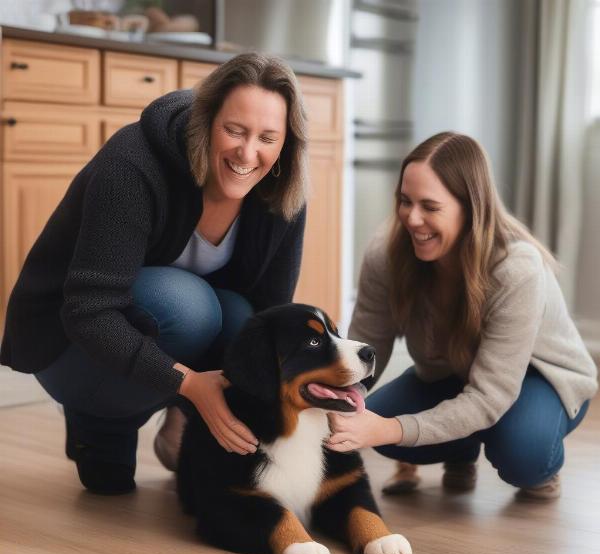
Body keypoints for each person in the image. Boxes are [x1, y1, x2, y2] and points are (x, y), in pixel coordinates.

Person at [0, 52, 309, 495]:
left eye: (267, 137)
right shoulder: (133, 165)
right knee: (189, 306)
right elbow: (89, 313)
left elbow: (269, 317)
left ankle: (180, 422)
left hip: (157, 339)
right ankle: (96, 419)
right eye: (234, 130)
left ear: (286, 143)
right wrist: (188, 385)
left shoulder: (283, 190)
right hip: (67, 344)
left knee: (243, 319)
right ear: (207, 122)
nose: (247, 153)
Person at [327, 131, 597, 500]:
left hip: (540, 379)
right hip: (452, 375)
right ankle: (462, 446)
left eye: (430, 206)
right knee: (371, 416)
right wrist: (334, 404)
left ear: (470, 207)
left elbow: (488, 397)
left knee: (521, 453)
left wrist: (390, 429)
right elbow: (364, 351)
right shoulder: (385, 255)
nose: (412, 218)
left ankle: (538, 465)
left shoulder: (516, 269)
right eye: (405, 201)